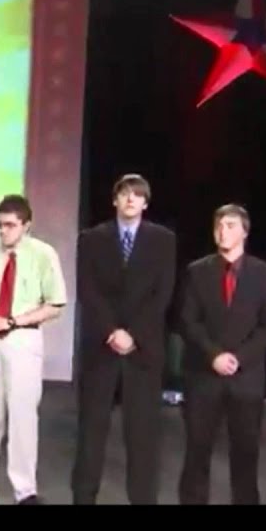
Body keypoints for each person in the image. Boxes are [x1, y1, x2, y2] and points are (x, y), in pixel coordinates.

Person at [71, 174, 177, 505]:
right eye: (125, 194)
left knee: (143, 435)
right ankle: (83, 497)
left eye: (137, 195)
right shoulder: (92, 238)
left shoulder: (163, 240)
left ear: (145, 203)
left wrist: (133, 334)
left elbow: (162, 293)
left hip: (143, 350)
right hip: (100, 348)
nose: (131, 199)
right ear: (114, 200)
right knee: (91, 432)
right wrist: (111, 331)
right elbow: (87, 290)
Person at [177, 204, 266, 505]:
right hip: (203, 376)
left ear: (245, 232)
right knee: (197, 453)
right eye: (219, 226)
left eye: (231, 225)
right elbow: (188, 320)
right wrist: (214, 356)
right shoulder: (197, 271)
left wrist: (239, 358)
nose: (223, 231)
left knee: (245, 456)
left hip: (246, 380)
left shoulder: (265, 274)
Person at [0, 194, 68, 505]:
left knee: (23, 417)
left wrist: (13, 321)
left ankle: (24, 491)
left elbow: (55, 305)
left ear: (26, 225)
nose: (3, 231)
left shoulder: (43, 255)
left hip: (22, 339)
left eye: (10, 225)